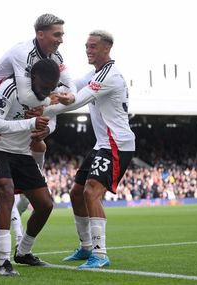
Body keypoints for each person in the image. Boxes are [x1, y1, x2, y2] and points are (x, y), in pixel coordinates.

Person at [0, 13, 76, 238]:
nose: (61, 39)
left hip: (20, 103)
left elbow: (71, 88)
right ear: (40, 35)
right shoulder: (23, 53)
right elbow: (26, 96)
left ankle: (28, 193)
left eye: (62, 34)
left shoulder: (56, 57)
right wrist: (55, 99)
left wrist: (70, 97)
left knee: (38, 144)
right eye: (57, 34)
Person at [42, 30, 136, 268]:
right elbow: (73, 88)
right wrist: (51, 93)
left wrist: (45, 108)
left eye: (93, 46)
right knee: (76, 193)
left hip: (117, 144)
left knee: (91, 192)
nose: (88, 50)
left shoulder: (109, 76)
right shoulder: (96, 73)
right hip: (102, 144)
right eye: (86, 46)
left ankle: (100, 253)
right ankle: (86, 248)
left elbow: (79, 99)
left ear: (107, 49)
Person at [0, 58, 61, 276]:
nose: (48, 91)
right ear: (33, 78)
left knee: (45, 205)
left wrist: (45, 130)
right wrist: (29, 123)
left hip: (23, 153)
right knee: (6, 194)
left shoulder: (48, 95)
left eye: (51, 87)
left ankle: (23, 251)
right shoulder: (11, 87)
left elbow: (51, 121)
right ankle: (3, 262)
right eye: (45, 86)